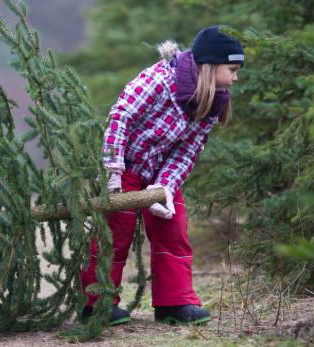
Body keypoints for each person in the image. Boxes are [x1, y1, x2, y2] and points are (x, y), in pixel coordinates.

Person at [80, 25, 244, 326]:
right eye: (232, 69)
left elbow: (188, 150)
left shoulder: (212, 100)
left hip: (159, 174)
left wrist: (165, 186)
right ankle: (96, 302)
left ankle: (174, 302)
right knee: (115, 231)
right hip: (125, 165)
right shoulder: (160, 78)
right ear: (211, 65)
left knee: (174, 229)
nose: (235, 77)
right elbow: (121, 115)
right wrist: (114, 170)